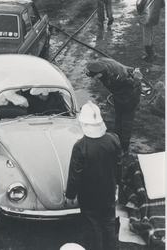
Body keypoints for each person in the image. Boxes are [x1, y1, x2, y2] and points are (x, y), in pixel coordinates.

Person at [65, 101, 122, 250]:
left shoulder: (80, 146)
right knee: (109, 224)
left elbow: (75, 174)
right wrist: (117, 184)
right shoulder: (113, 139)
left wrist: (70, 195)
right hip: (108, 190)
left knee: (92, 226)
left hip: (89, 195)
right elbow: (119, 164)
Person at [86, 57, 142, 156]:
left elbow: (134, 84)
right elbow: (119, 64)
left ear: (100, 73)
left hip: (129, 96)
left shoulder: (115, 79)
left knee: (126, 122)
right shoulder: (101, 62)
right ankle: (117, 141)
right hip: (119, 95)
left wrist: (136, 77)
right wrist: (132, 68)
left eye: (95, 77)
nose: (94, 79)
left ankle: (125, 148)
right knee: (118, 119)